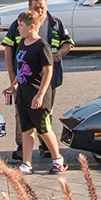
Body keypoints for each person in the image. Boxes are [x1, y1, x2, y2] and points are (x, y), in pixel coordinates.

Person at [8, 11, 64, 175]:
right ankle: (26, 164)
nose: (18, 28)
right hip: (23, 95)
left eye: (21, 25)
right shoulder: (22, 43)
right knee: (26, 130)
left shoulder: (42, 46)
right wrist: (14, 85)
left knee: (43, 129)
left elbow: (48, 72)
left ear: (32, 27)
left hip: (37, 94)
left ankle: (58, 160)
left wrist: (40, 95)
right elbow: (21, 68)